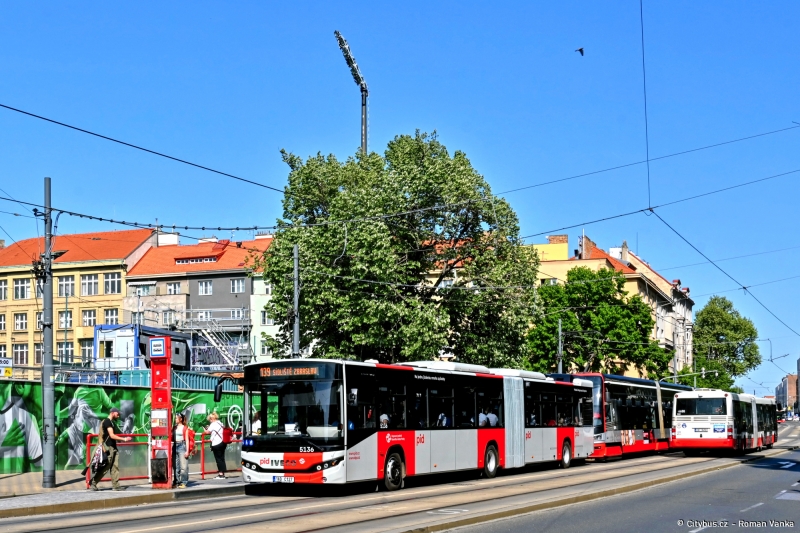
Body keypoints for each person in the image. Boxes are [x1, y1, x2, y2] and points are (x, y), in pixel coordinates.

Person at [90, 407, 131, 491]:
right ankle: (93, 482)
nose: (118, 416)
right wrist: (124, 439)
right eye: (117, 414)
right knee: (105, 467)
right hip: (108, 448)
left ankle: (116, 485)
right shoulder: (107, 422)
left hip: (113, 447)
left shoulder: (112, 422)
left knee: (115, 467)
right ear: (112, 412)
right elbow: (111, 435)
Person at [172, 413, 195, 488]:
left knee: (183, 466)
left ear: (180, 419)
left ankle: (183, 482)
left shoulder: (185, 428)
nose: (175, 419)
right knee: (176, 466)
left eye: (176, 418)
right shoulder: (174, 428)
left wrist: (187, 451)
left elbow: (187, 440)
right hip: (175, 445)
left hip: (182, 445)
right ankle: (177, 481)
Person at [203, 413, 227, 479]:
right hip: (223, 442)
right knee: (222, 458)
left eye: (210, 419)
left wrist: (204, 429)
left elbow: (207, 432)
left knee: (218, 459)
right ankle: (223, 473)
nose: (209, 421)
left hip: (216, 443)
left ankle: (221, 474)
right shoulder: (220, 423)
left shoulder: (213, 424)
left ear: (211, 419)